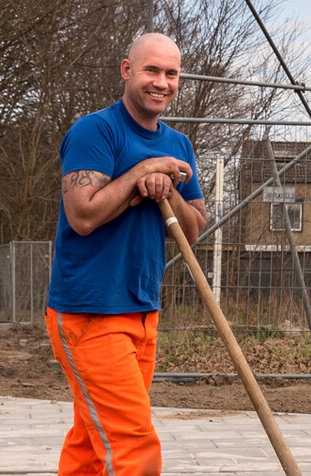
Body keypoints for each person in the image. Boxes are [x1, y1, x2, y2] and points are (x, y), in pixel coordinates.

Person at [47, 32, 209, 476]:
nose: (162, 82)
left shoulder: (179, 145)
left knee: (91, 439)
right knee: (131, 441)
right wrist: (142, 170)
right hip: (90, 311)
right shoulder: (95, 131)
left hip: (141, 310)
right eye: (151, 70)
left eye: (171, 73)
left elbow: (192, 231)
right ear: (127, 70)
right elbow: (82, 215)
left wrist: (166, 189)